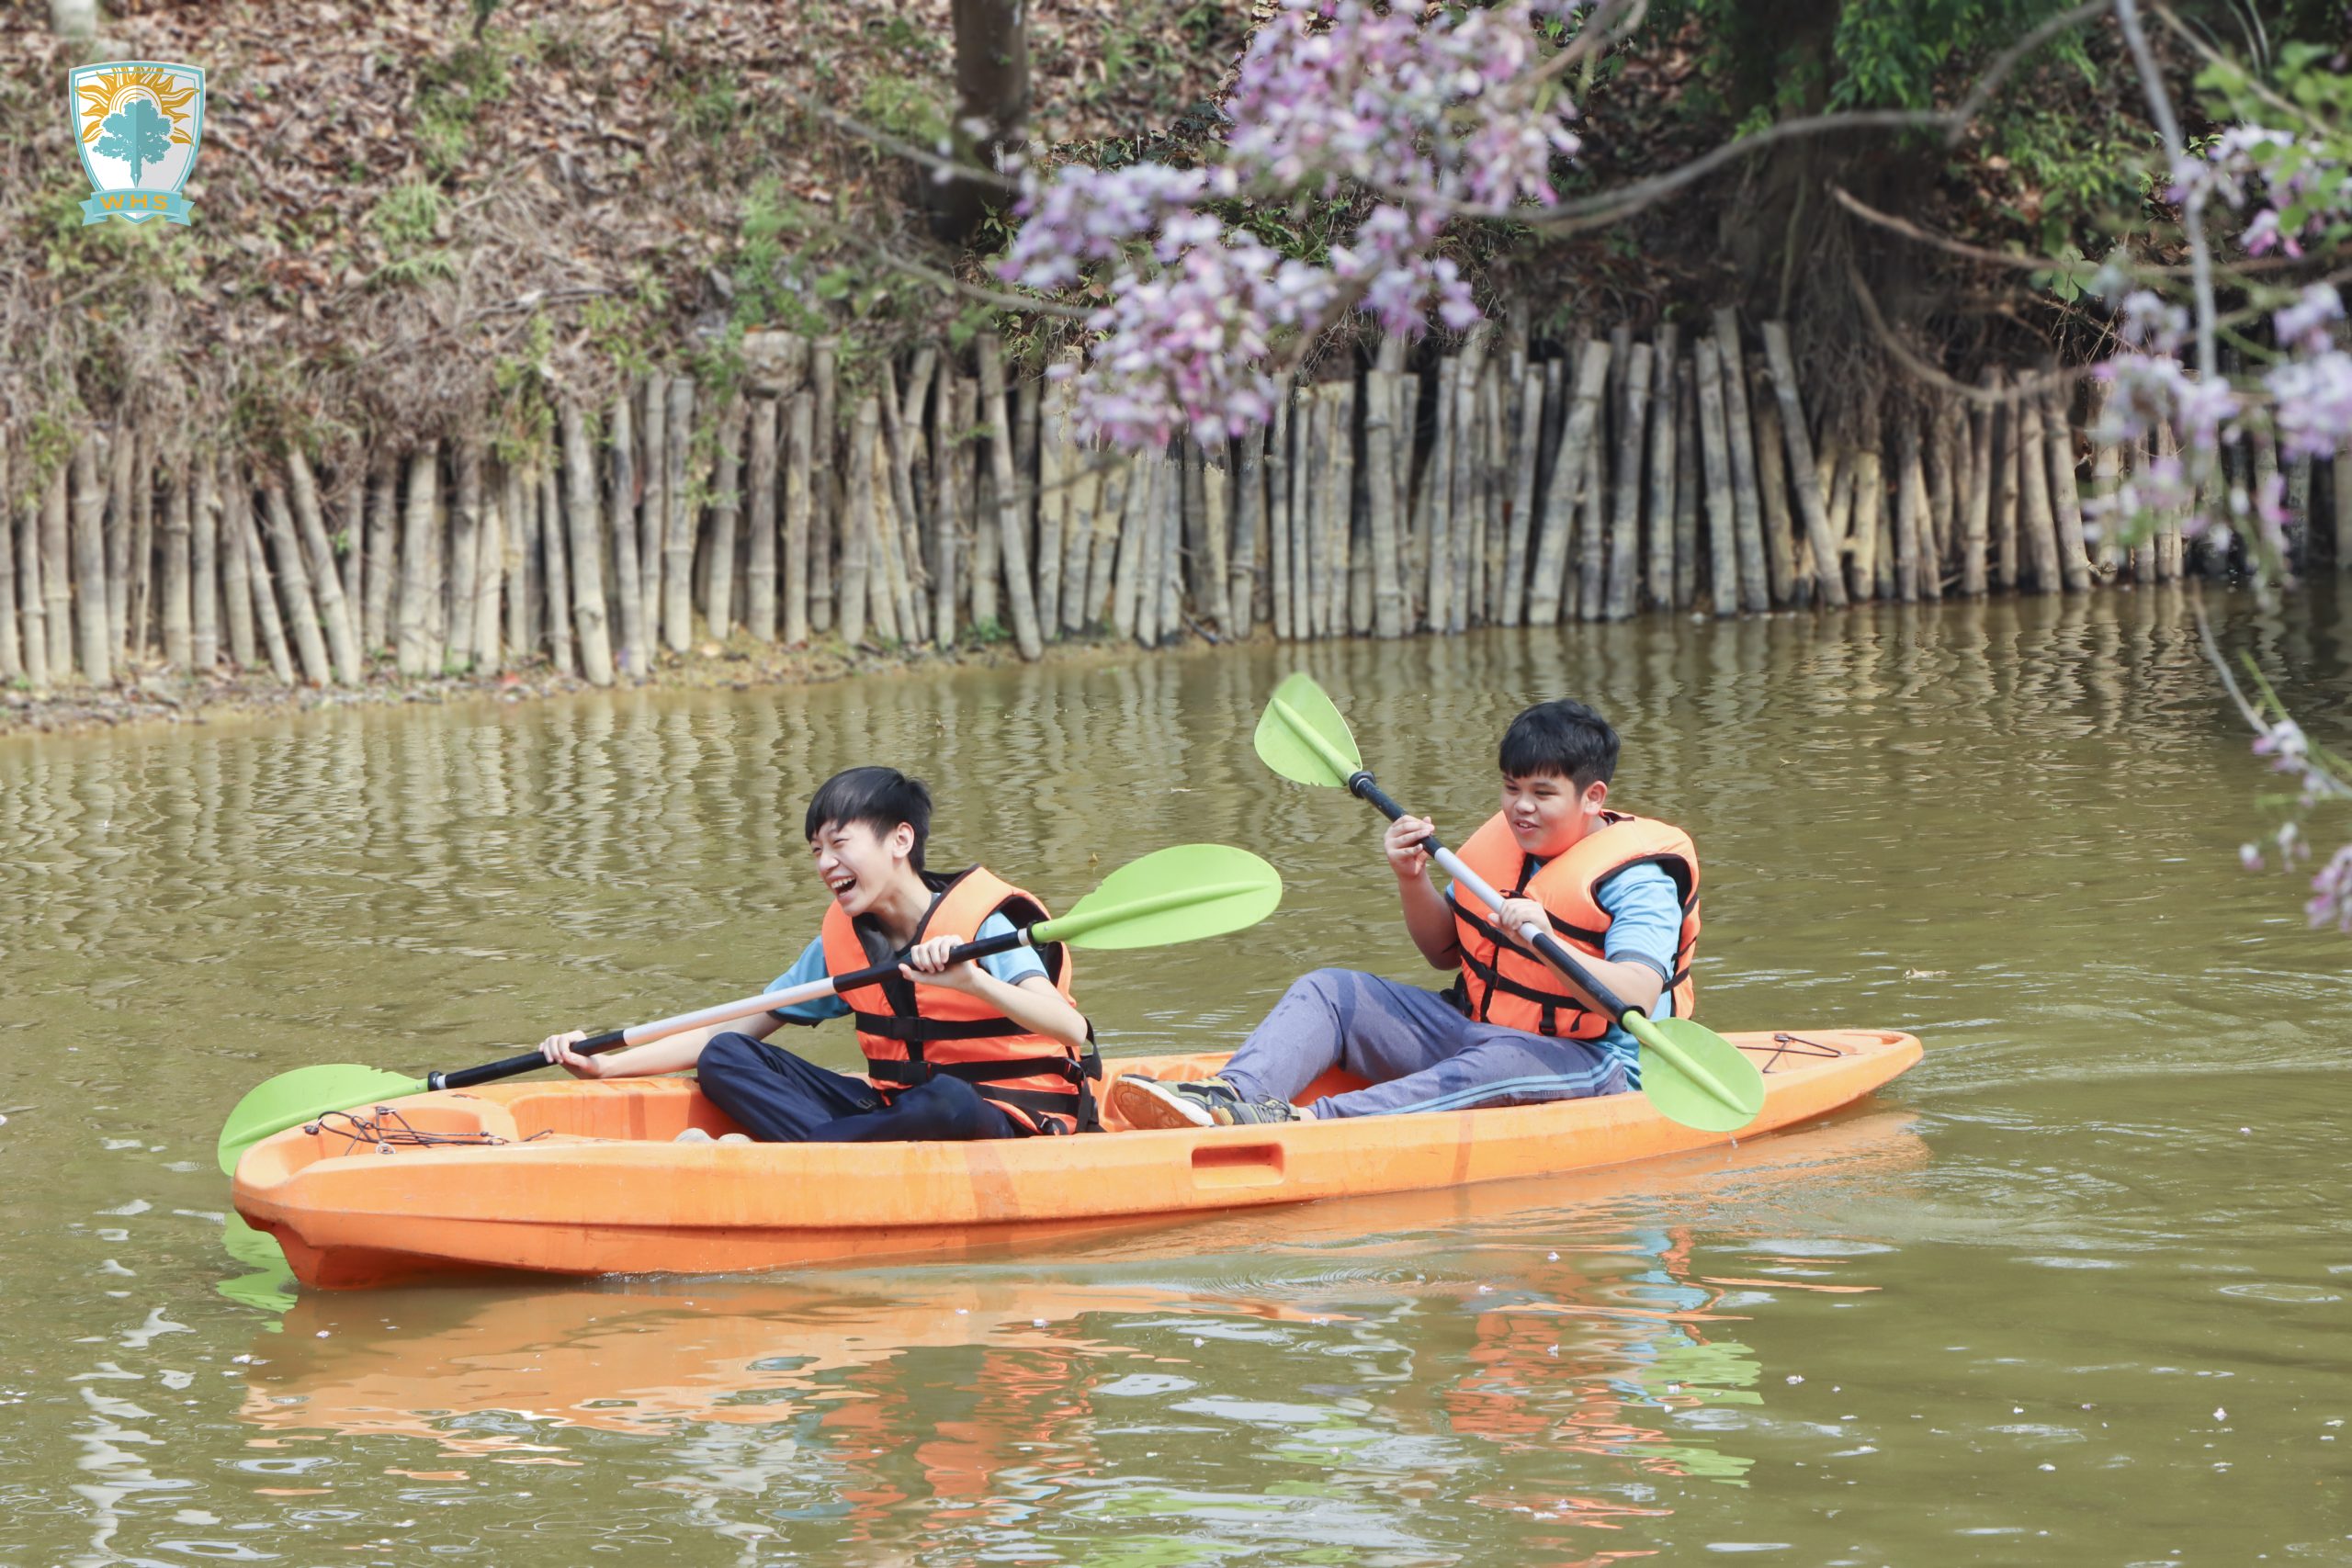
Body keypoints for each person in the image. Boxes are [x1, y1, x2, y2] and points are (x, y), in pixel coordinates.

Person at [1113, 699, 1698, 1128]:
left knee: (1498, 1062)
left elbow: (1638, 997)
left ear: (1591, 796)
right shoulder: (1507, 840)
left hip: (1595, 1064)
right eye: (1511, 787)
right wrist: (1410, 877)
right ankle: (1226, 1097)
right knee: (1330, 991)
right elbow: (1445, 950)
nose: (1521, 807)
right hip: (1474, 1027)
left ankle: (1305, 1124)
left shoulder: (1638, 878)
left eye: (1543, 793)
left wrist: (1551, 939)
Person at [537, 766, 1099, 1142]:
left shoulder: (987, 923)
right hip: (891, 1114)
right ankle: (827, 1151)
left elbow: (1069, 1028)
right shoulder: (846, 939)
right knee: (728, 1057)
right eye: (816, 850)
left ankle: (793, 1154)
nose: (826, 863)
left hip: (1007, 1120)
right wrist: (606, 1066)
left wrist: (972, 981)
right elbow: (725, 1029)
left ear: (900, 841)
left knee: (943, 1099)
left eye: (839, 843)